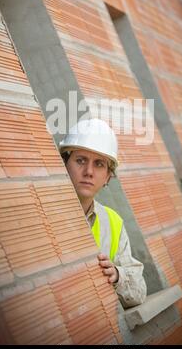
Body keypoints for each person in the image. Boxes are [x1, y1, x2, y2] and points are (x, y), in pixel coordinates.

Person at [59, 118, 147, 308]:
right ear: (64, 163)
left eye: (99, 164)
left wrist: (117, 275)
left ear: (108, 175)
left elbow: (139, 290)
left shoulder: (113, 222)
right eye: (80, 160)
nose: (89, 171)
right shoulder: (43, 210)